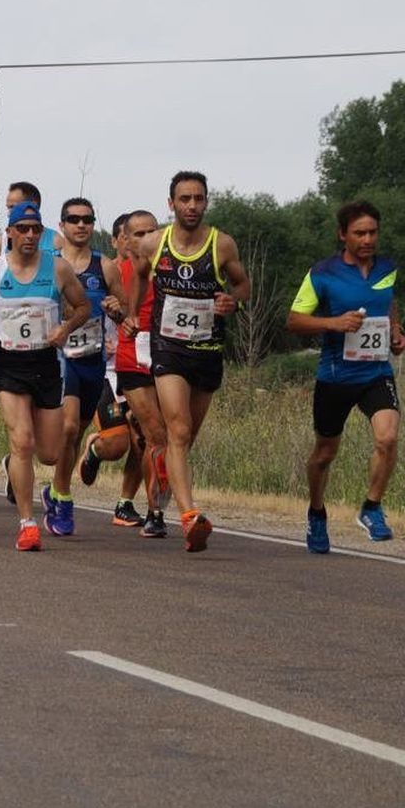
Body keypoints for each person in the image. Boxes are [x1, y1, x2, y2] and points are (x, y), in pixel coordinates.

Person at [131, 171, 251, 552]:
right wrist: (134, 313)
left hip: (207, 351)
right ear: (171, 204)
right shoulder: (154, 243)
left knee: (186, 438)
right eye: (184, 199)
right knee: (177, 430)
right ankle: (189, 517)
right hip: (168, 349)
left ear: (206, 202)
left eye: (198, 198)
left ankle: (166, 482)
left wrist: (233, 301)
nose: (192, 206)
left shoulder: (222, 245)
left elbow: (243, 285)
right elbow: (138, 275)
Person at [0, 201, 88, 551]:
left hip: (45, 364)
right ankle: (27, 523)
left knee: (48, 453)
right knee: (22, 442)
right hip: (8, 364)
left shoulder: (59, 269)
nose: (30, 235)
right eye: (23, 229)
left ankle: (20, 473)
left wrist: (65, 327)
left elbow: (83, 307)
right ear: (11, 232)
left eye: (35, 229)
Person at [287, 199, 405, 552]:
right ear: (343, 235)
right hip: (335, 376)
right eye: (360, 233)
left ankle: (371, 507)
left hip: (375, 372)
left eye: (373, 232)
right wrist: (333, 323)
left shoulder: (388, 267)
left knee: (387, 438)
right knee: (324, 453)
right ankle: (317, 512)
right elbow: (294, 320)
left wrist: (396, 331)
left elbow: (389, 302)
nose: (368, 239)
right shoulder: (322, 273)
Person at [41, 198, 111, 536]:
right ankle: (65, 501)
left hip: (92, 359)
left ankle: (55, 489)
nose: (81, 225)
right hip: (58, 357)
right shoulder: (47, 264)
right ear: (63, 224)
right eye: (73, 219)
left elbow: (124, 309)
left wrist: (119, 310)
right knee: (67, 429)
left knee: (76, 435)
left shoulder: (105, 266)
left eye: (87, 219)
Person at [77, 212, 149, 528]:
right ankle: (95, 449)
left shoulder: (152, 275)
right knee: (118, 443)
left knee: (143, 438)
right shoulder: (104, 273)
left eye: (148, 234)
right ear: (118, 239)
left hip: (139, 366)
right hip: (104, 369)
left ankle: (125, 503)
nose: (139, 241)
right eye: (132, 235)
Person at [105, 210, 172, 536]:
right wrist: (116, 314)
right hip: (131, 360)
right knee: (153, 435)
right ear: (125, 239)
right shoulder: (115, 271)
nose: (148, 238)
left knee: (172, 438)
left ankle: (154, 506)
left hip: (169, 356)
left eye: (153, 231)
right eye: (139, 233)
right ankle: (155, 512)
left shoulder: (171, 267)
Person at [0, 181, 59, 268]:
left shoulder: (57, 242)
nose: (9, 213)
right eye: (8, 208)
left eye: (13, 207)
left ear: (33, 205)